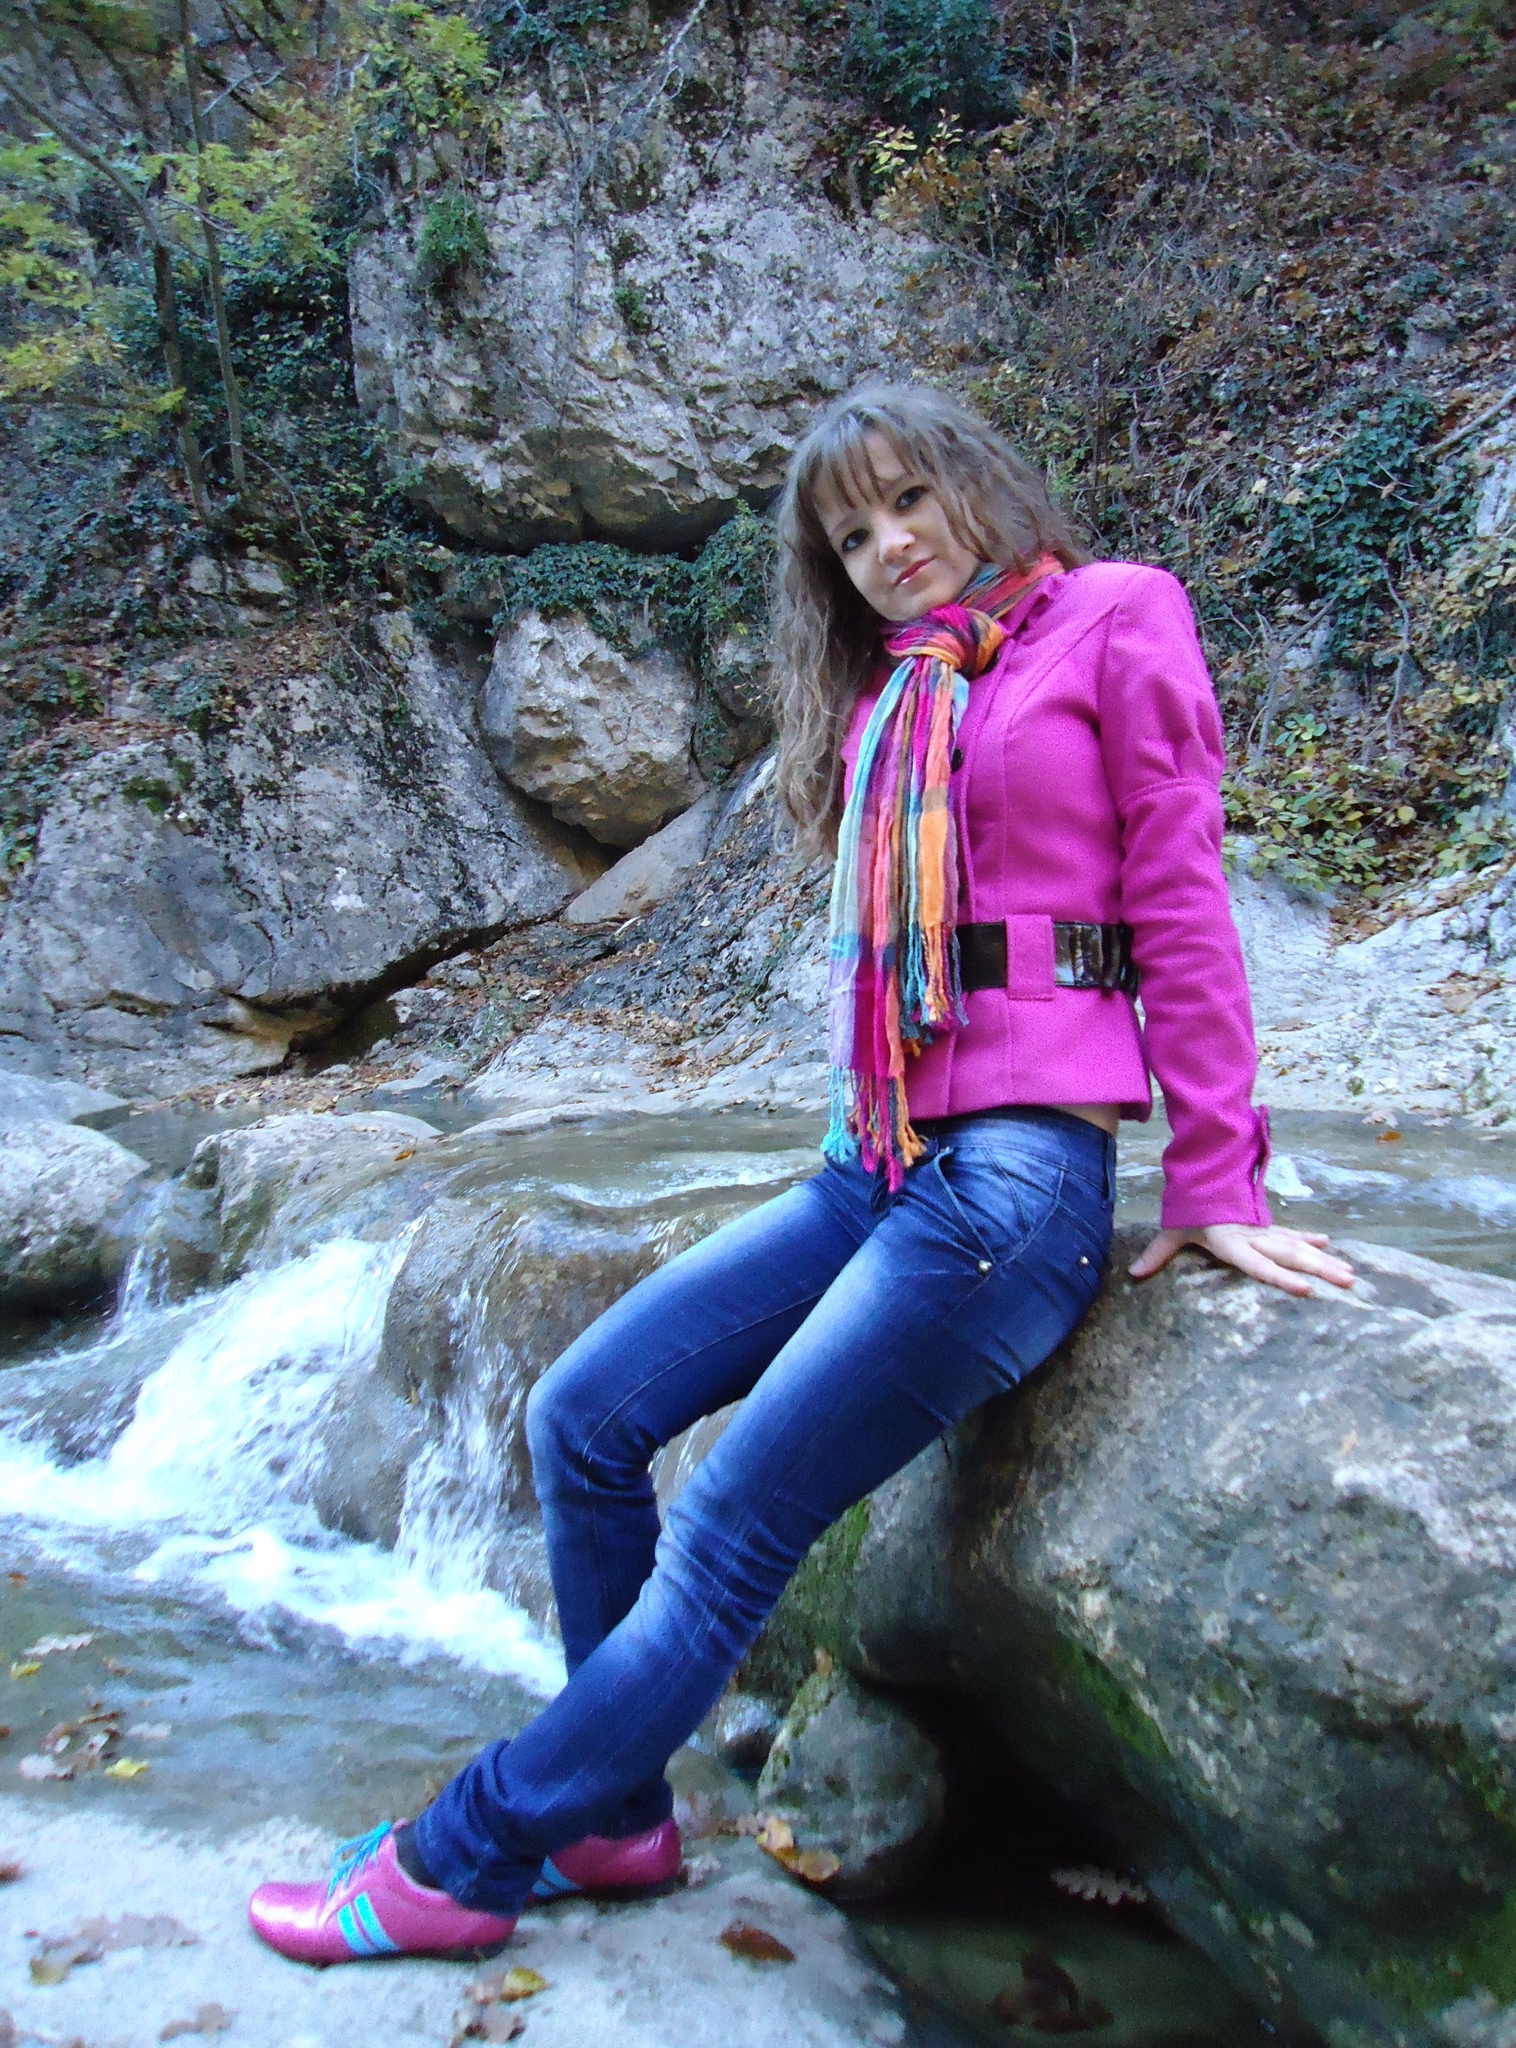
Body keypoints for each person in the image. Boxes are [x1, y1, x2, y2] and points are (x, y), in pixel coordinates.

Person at [248, 382, 1354, 1965]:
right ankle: (614, 1816)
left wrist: (1217, 1177)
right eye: (850, 534)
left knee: (724, 1536)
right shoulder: (895, 696)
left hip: (1016, 1185)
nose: (888, 546)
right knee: (583, 1418)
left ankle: (469, 1854)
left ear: (976, 482)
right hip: (877, 1160)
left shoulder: (1118, 615)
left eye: (908, 500)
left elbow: (1179, 904)